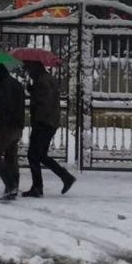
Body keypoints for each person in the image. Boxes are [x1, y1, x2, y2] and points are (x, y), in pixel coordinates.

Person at [22, 61, 76, 198]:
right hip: (50, 122)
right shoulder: (48, 79)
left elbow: (42, 103)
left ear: (34, 68)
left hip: (43, 123)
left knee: (33, 155)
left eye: (28, 69)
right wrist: (32, 90)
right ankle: (65, 177)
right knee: (40, 155)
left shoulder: (41, 82)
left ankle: (38, 187)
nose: (28, 73)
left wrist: (33, 93)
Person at [0, 63, 25, 200]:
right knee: (11, 157)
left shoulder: (3, 87)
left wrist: (0, 124)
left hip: (6, 127)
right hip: (18, 126)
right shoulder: (16, 84)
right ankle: (13, 187)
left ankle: (10, 185)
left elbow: (5, 107)